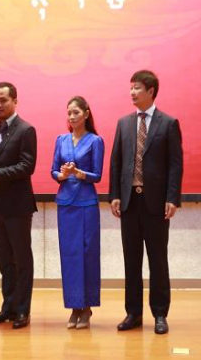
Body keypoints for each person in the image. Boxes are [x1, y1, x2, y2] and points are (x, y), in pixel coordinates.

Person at [109, 70, 183, 335]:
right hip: (130, 202)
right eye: (131, 87)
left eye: (137, 87)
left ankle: (160, 313)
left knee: (158, 260)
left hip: (156, 203)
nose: (132, 92)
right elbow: (116, 162)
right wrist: (115, 194)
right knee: (131, 260)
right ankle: (133, 313)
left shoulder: (168, 123)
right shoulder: (124, 123)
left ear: (151, 91)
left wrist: (172, 198)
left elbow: (175, 164)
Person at [0, 82, 37, 329]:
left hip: (18, 206)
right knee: (5, 261)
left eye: (3, 100)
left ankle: (23, 310)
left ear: (15, 101)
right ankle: (8, 307)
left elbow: (27, 166)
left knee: (22, 260)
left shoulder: (26, 130)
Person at [51, 96, 104, 330]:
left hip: (86, 203)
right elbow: (53, 170)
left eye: (76, 112)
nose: (72, 117)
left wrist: (80, 173)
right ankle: (74, 307)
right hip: (66, 203)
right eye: (69, 113)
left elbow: (97, 175)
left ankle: (87, 308)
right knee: (69, 255)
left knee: (87, 254)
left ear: (86, 114)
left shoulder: (95, 140)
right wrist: (62, 175)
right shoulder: (61, 140)